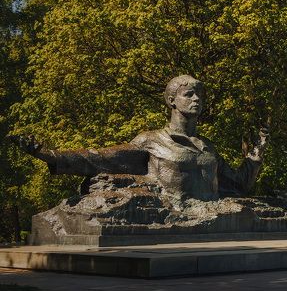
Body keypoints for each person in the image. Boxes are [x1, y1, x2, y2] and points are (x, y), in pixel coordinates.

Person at [20, 75, 266, 202]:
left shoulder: (208, 147)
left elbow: (237, 185)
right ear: (172, 100)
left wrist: (255, 156)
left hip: (210, 219)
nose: (197, 99)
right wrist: (49, 155)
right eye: (189, 94)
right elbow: (101, 157)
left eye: (200, 94)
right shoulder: (152, 141)